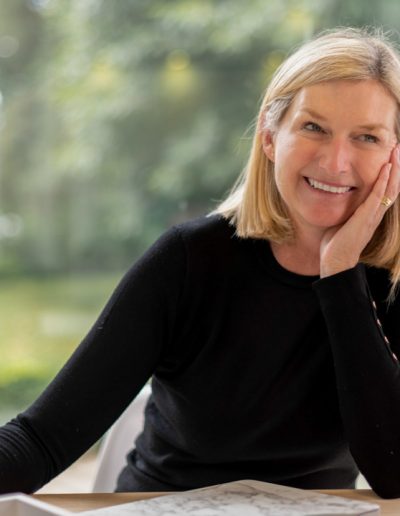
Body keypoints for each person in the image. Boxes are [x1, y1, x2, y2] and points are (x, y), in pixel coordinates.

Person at [1, 27, 400, 499]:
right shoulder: (189, 260)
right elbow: (41, 440)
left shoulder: (389, 282)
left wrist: (340, 277)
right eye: (313, 127)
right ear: (271, 137)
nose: (336, 162)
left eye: (367, 137)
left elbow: (393, 473)